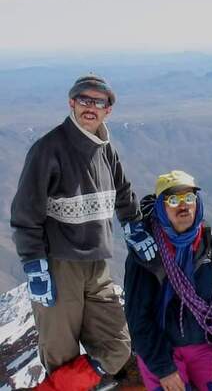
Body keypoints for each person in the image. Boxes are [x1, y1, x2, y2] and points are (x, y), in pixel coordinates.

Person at [10, 74, 155, 390]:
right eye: (84, 100)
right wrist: (34, 264)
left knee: (117, 346)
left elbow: (123, 190)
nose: (91, 107)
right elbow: (25, 214)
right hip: (60, 266)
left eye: (98, 102)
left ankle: (78, 384)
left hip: (98, 266)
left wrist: (133, 224)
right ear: (71, 103)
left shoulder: (106, 149)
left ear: (108, 110)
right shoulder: (48, 149)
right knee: (60, 354)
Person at [124, 170, 212, 391]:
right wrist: (163, 368)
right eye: (173, 200)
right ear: (161, 207)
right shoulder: (145, 254)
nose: (183, 206)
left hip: (207, 346)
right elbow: (138, 320)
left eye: (189, 198)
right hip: (162, 350)